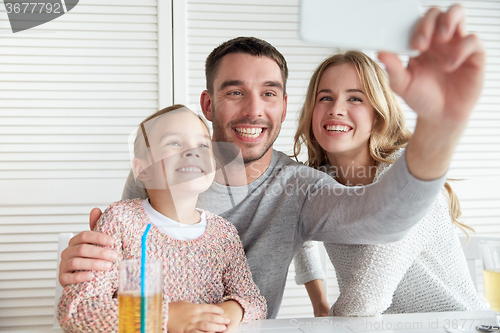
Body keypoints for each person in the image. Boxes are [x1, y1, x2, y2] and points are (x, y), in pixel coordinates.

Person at [58, 5, 485, 326]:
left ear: (283, 105)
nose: (253, 110)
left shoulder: (302, 187)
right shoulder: (159, 171)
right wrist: (81, 267)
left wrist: (441, 126)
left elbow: (384, 218)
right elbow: (111, 280)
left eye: (268, 93)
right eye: (234, 92)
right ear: (208, 103)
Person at [293, 50, 484, 316]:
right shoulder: (318, 182)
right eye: (325, 97)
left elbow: (365, 300)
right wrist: (319, 303)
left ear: (377, 114)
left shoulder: (404, 176)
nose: (336, 109)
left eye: (355, 98)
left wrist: (329, 321)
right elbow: (298, 228)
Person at [57, 105, 267, 333]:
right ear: (142, 169)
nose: (192, 151)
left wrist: (231, 311)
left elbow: (254, 301)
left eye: (203, 145)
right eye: (174, 143)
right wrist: (163, 317)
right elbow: (78, 310)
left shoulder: (224, 234)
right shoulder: (120, 221)